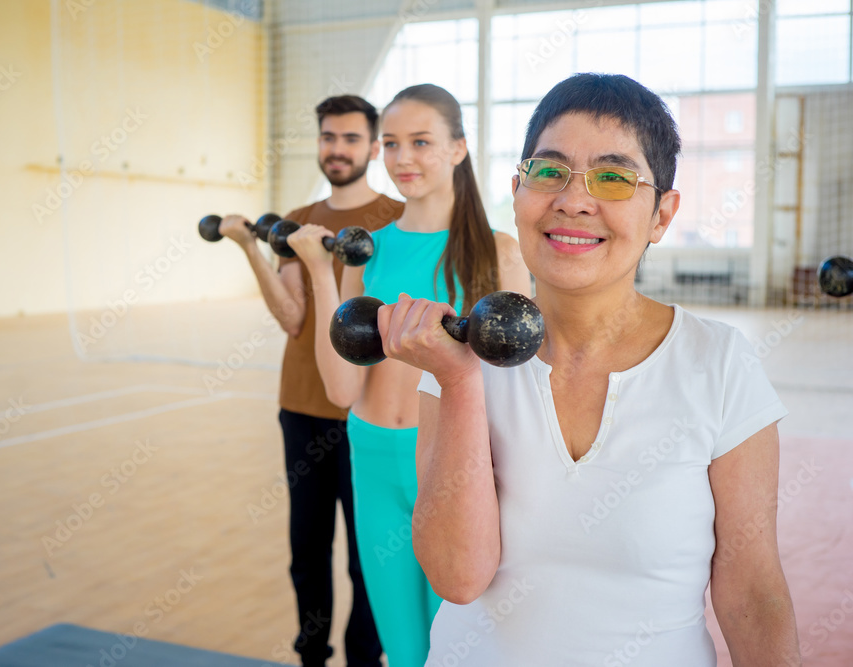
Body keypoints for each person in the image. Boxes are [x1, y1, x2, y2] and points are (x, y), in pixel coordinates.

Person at [377, 73, 801, 665]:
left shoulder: (720, 363)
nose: (574, 200)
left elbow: (753, 593)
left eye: (613, 177)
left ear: (662, 215)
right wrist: (459, 382)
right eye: (548, 172)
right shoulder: (458, 361)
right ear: (519, 191)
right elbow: (458, 576)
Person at [287, 84, 531, 667]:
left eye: (421, 142)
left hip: (452, 464)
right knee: (402, 648)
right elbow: (342, 389)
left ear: (457, 149)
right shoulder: (366, 252)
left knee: (465, 644)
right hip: (371, 455)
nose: (402, 159)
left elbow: (520, 389)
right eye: (391, 144)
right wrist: (323, 275)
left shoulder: (498, 253)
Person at [218, 95, 401, 667]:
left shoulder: (397, 220)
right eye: (328, 137)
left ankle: (364, 660)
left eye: (350, 139)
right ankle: (312, 657)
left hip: (369, 415)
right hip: (302, 408)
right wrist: (251, 246)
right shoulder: (298, 220)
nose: (337, 149)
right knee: (307, 552)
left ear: (373, 148)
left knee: (365, 558)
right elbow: (293, 318)